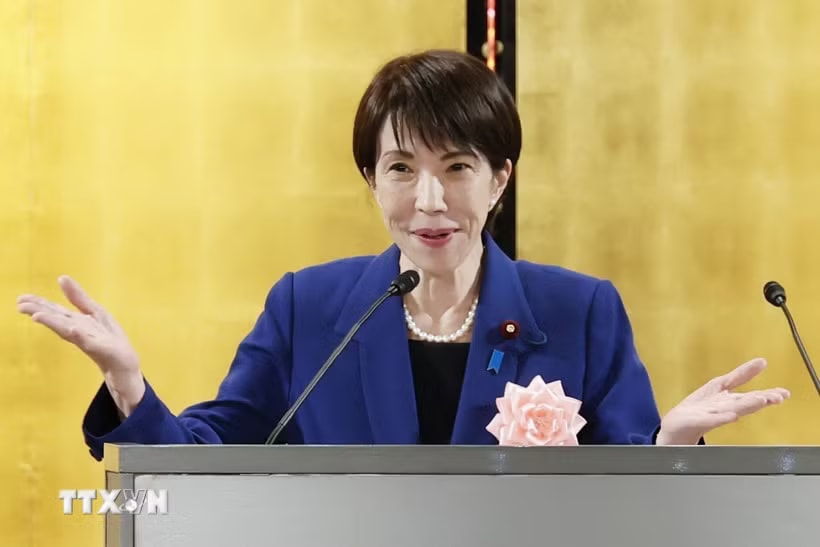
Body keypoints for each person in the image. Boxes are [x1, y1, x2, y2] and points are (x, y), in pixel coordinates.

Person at [17, 50, 788, 461]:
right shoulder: (308, 308)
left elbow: (629, 481)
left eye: (456, 167)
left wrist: (670, 445)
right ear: (370, 179)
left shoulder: (579, 310)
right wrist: (127, 383)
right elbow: (207, 455)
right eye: (400, 169)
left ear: (500, 178)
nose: (428, 200)